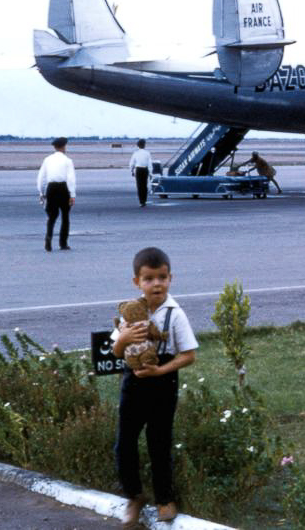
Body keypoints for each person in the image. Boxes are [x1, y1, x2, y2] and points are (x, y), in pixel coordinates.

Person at [111, 246, 197, 527]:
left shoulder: (175, 314)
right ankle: (134, 496)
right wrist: (123, 339)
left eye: (161, 277)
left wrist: (160, 369)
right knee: (125, 443)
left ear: (170, 278)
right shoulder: (129, 312)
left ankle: (164, 498)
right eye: (148, 278)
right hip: (133, 383)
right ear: (137, 281)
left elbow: (188, 356)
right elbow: (115, 351)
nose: (156, 283)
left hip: (162, 382)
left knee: (159, 442)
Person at [37, 137, 76, 251]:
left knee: (52, 217)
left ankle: (48, 240)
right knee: (65, 217)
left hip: (51, 189)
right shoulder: (67, 161)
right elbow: (71, 179)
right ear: (64, 146)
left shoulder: (47, 160)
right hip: (63, 189)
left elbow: (41, 178)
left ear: (54, 147)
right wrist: (72, 194)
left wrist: (41, 192)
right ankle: (63, 243)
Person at [129, 139, 154, 207]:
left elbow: (132, 163)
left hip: (138, 169)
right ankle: (144, 200)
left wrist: (131, 170)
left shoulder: (135, 153)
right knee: (145, 185)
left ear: (138, 145)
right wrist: (151, 173)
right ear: (144, 145)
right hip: (145, 169)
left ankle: (141, 201)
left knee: (139, 186)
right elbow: (149, 164)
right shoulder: (147, 153)